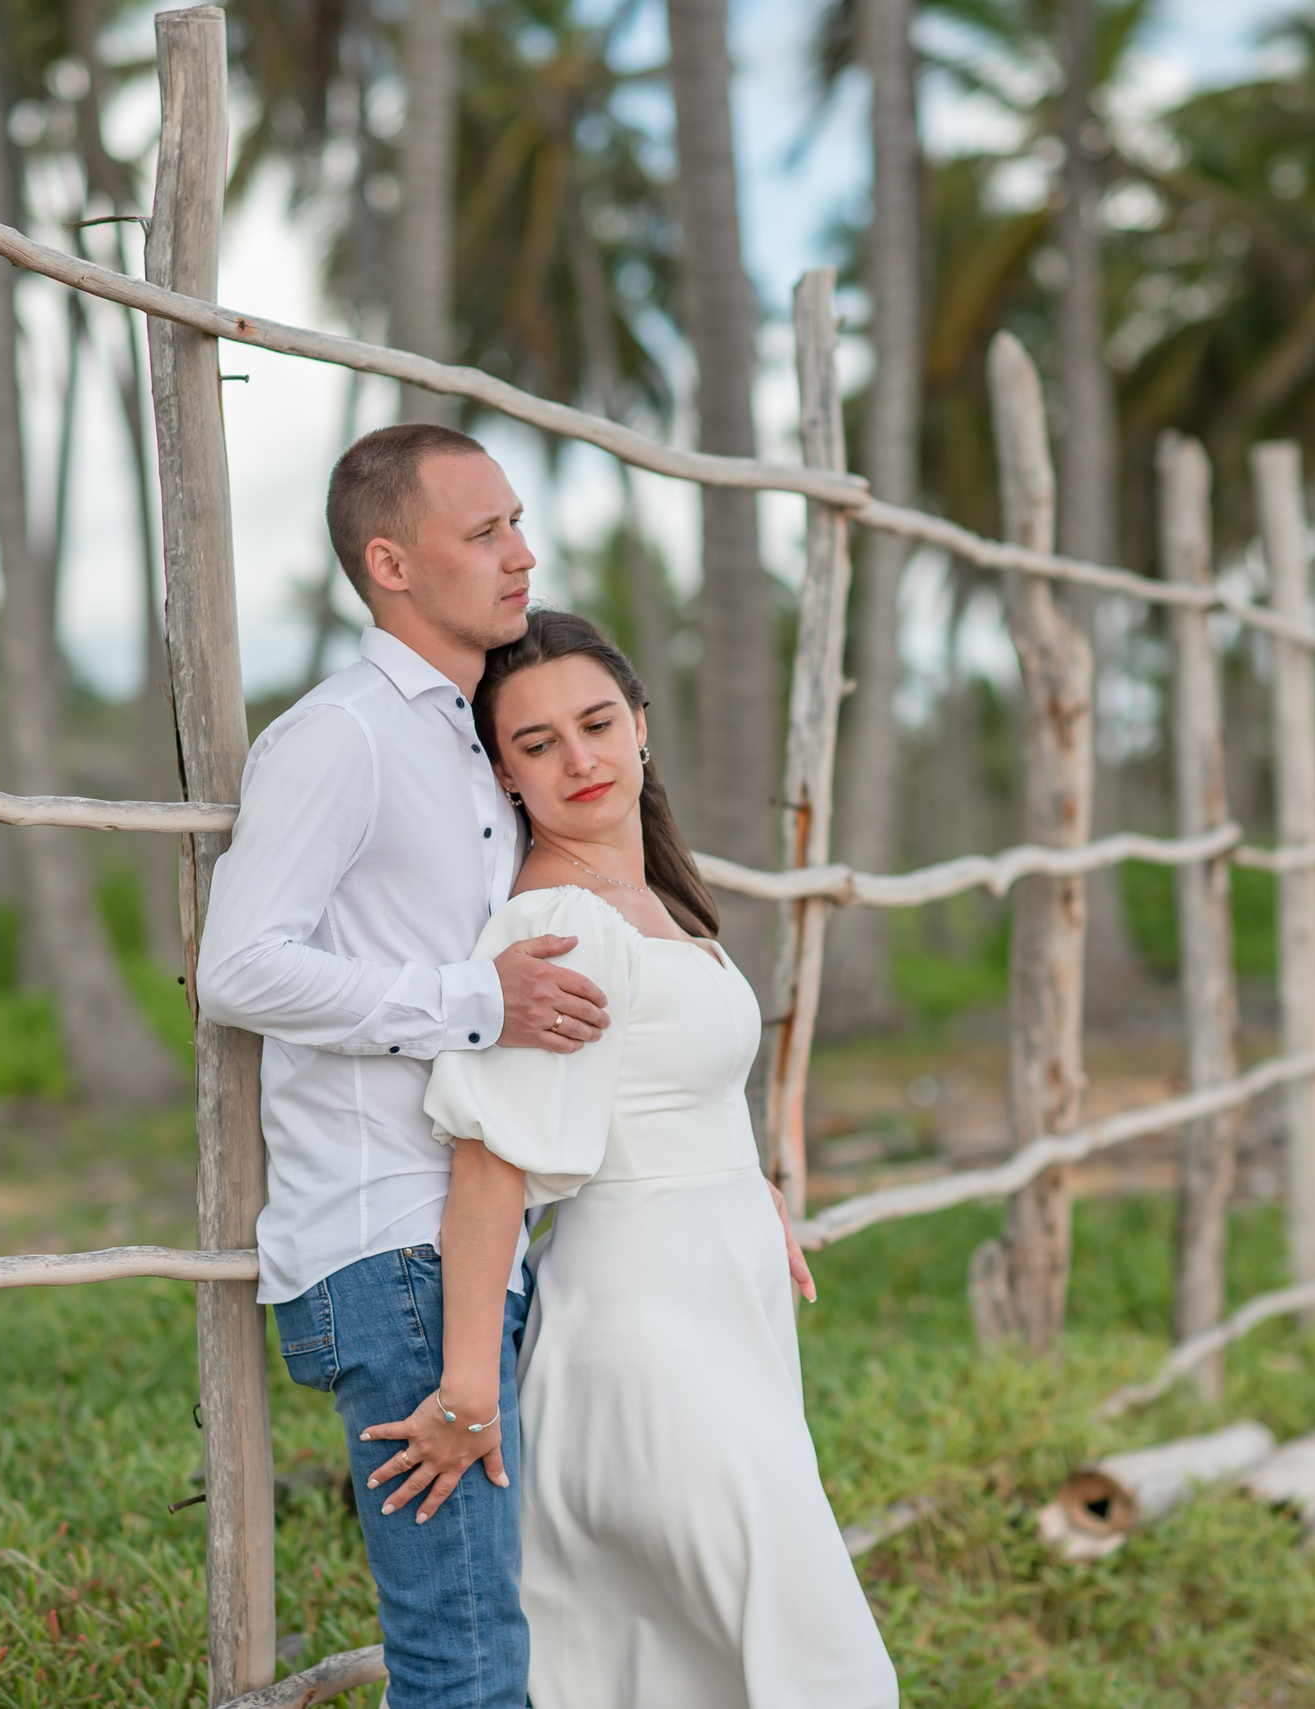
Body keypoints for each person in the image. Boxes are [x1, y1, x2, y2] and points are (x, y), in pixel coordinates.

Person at [361, 609, 900, 1708]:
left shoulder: (649, 899)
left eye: (597, 723)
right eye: (537, 742)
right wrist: (468, 1389)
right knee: (822, 1664)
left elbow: (665, 1085)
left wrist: (743, 1185)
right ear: (503, 773)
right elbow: (490, 1165)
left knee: (691, 1669)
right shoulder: (557, 922)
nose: (580, 759)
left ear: (642, 725)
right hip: (645, 1339)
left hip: (725, 1308)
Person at [197, 425, 613, 1709]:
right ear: (390, 563)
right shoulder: (343, 736)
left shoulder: (472, 738)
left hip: (471, 1242)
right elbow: (239, 967)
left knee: (496, 1643)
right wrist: (475, 1002)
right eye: (483, 532)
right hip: (393, 1245)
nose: (521, 553)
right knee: (466, 1663)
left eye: (517, 523)